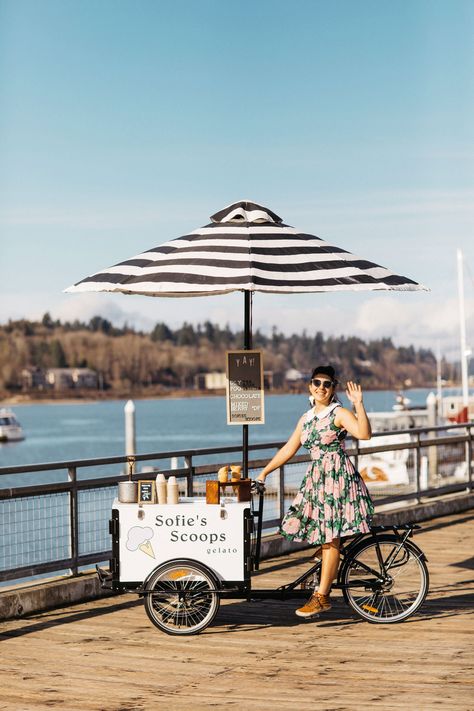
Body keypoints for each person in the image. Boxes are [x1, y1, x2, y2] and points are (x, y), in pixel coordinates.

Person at [256, 365, 374, 618]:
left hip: (337, 479)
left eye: (327, 384)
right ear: (310, 386)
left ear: (333, 389)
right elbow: (289, 449)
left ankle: (322, 597)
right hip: (317, 480)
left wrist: (359, 404)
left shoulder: (338, 413)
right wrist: (265, 472)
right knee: (324, 537)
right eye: (317, 383)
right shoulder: (307, 418)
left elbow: (364, 434)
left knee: (330, 538)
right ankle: (328, 571)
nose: (321, 387)